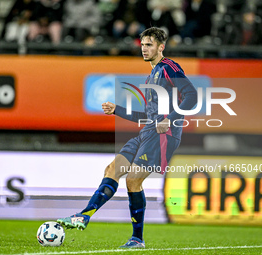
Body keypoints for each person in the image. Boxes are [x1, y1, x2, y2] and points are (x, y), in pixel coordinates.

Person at [57, 27, 198, 248]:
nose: (144, 49)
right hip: (147, 132)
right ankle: (83, 216)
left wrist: (170, 118)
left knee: (133, 179)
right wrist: (118, 110)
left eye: (149, 45)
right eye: (142, 45)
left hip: (164, 135)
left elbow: (192, 95)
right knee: (112, 170)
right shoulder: (152, 75)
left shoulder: (169, 67)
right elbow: (147, 116)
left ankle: (137, 239)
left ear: (161, 47)